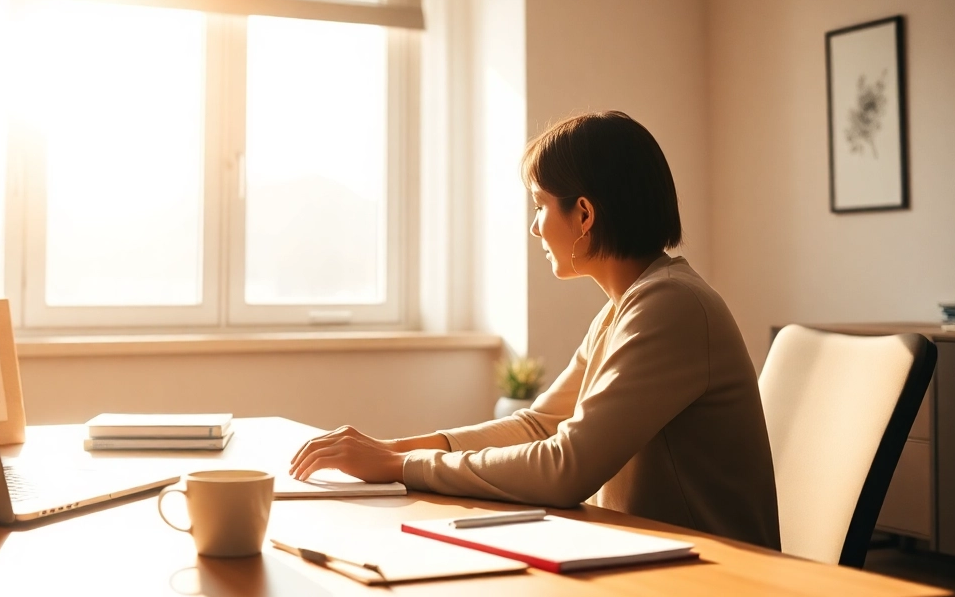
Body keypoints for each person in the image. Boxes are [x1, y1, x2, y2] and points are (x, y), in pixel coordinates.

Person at [289, 111, 781, 549]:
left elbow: (566, 467)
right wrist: (394, 449)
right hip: (660, 566)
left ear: (584, 214)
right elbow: (539, 425)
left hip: (716, 585)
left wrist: (400, 468)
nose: (534, 227)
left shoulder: (671, 306)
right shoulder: (627, 307)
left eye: (540, 205)